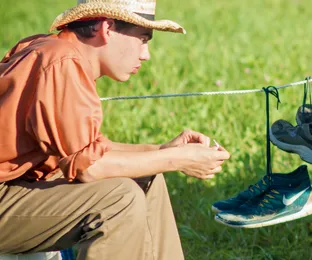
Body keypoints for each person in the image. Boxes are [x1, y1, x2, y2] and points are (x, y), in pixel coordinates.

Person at [0, 0, 231, 259]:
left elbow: (86, 150)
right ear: (107, 28)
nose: (146, 55)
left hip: (17, 187)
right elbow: (89, 168)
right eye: (143, 39)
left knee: (146, 177)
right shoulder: (61, 61)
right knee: (118, 198)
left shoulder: (56, 52)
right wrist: (177, 159)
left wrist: (162, 151)